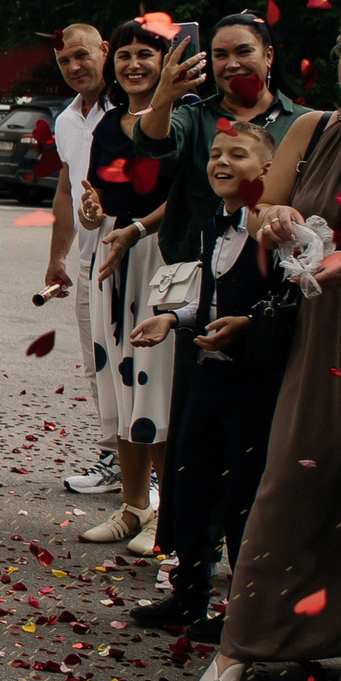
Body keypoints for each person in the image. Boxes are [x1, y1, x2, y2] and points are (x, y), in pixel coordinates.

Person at [197, 0, 341, 681]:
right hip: (319, 335)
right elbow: (267, 211)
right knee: (291, 481)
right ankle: (243, 643)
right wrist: (279, 215)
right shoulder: (311, 130)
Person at [119, 11, 310, 561]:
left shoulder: (302, 122)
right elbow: (152, 151)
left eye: (243, 51)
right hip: (200, 290)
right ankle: (185, 565)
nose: (231, 64)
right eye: (220, 54)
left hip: (278, 297)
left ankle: (254, 568)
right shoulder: (194, 115)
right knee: (194, 435)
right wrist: (165, 95)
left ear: (269, 55)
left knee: (263, 440)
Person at [125, 122, 282, 633]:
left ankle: (243, 610)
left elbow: (292, 302)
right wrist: (173, 318)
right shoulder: (213, 222)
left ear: (267, 170)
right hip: (206, 377)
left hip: (253, 383)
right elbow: (210, 294)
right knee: (189, 484)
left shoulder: (279, 231)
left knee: (240, 494)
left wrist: (252, 325)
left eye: (237, 154)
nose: (221, 162)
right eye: (215, 153)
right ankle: (190, 594)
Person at [76, 20, 178, 555]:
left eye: (147, 54)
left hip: (161, 257)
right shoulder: (108, 125)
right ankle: (134, 505)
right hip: (112, 260)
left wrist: (135, 228)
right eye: (126, 55)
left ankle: (173, 513)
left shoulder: (183, 119)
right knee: (117, 382)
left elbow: (186, 196)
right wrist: (94, 214)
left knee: (155, 384)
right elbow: (97, 207)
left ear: (167, 60)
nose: (134, 64)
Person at [37, 24, 118, 496]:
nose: (74, 67)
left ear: (104, 51)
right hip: (89, 263)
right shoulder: (67, 119)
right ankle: (115, 457)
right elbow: (66, 189)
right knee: (98, 365)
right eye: (65, 60)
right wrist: (58, 258)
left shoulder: (130, 109)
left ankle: (149, 467)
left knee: (138, 367)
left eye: (83, 55)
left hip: (134, 254)